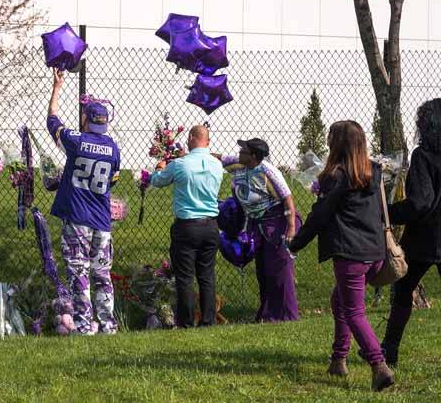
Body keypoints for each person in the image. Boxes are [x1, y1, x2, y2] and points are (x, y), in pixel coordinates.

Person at [288, 120, 394, 392]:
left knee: (354, 312)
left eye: (330, 137)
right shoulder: (375, 172)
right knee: (339, 302)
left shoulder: (335, 177)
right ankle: (338, 359)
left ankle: (379, 365)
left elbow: (319, 216)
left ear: (337, 144)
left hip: (350, 254)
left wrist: (296, 243)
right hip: (375, 252)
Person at [47, 68, 121, 335]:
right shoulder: (113, 148)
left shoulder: (76, 141)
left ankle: (83, 325)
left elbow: (53, 122)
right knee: (102, 274)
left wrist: (57, 88)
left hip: (78, 220)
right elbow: (112, 179)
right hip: (102, 221)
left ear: (85, 119)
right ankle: (108, 325)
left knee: (79, 273)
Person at [382, 98, 441, 368]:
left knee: (404, 289)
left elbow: (420, 202)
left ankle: (389, 349)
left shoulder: (424, 155)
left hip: (426, 238)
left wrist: (389, 212)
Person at [217, 138, 300, 323]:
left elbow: (287, 199)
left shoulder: (267, 172)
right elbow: (216, 158)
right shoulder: (239, 165)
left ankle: (287, 317)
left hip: (278, 222)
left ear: (253, 156)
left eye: (243, 151)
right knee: (263, 270)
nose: (239, 153)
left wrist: (292, 228)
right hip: (258, 224)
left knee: (279, 270)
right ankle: (268, 315)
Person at [150, 125, 223, 328]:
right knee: (206, 275)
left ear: (191, 138)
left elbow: (157, 181)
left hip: (187, 225)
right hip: (210, 225)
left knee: (185, 276)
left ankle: (186, 322)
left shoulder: (179, 164)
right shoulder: (216, 165)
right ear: (207, 141)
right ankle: (208, 320)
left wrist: (160, 167)